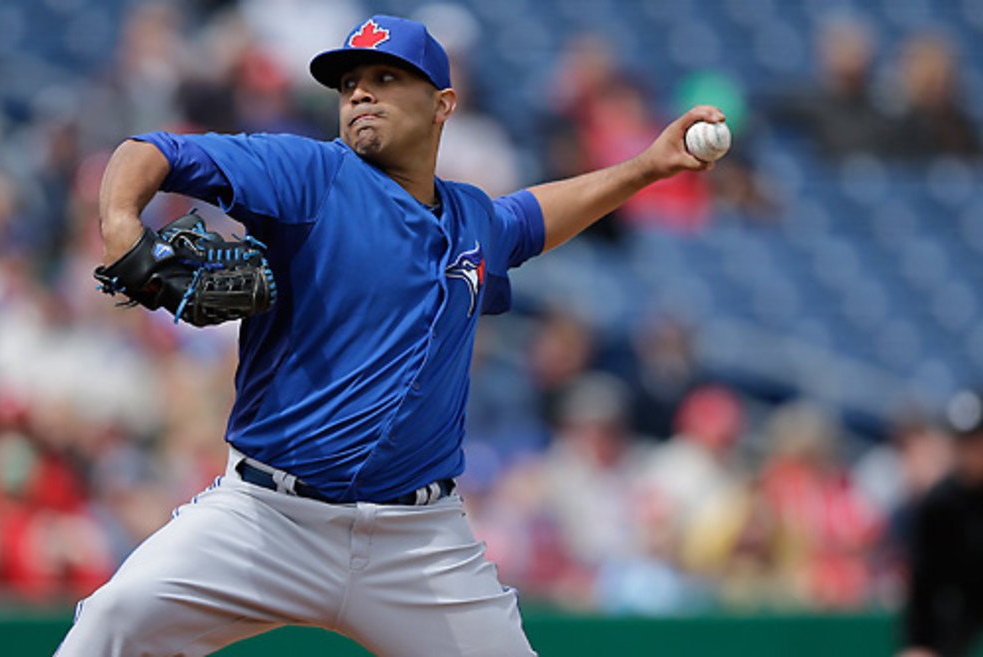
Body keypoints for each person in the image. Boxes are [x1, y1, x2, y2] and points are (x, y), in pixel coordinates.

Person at [54, 14, 722, 656]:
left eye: (385, 78)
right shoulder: (310, 175)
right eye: (348, 84)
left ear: (442, 104)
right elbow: (150, 152)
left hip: (419, 544)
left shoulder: (473, 219)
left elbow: (533, 217)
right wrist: (121, 227)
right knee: (111, 623)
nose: (360, 94)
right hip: (267, 519)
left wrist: (647, 166)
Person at [900, 389, 983, 657]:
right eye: (963, 442)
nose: (971, 451)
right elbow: (924, 585)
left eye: (977, 440)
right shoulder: (940, 503)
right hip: (959, 615)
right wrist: (918, 644)